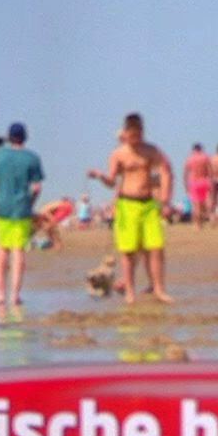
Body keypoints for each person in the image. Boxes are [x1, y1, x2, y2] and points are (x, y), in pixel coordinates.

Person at [87, 113, 174, 305]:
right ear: (126, 133)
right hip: (127, 203)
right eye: (132, 135)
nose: (135, 139)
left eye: (139, 135)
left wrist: (166, 198)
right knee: (128, 251)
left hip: (148, 203)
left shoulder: (151, 150)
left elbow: (166, 169)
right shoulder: (119, 154)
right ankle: (130, 292)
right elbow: (112, 181)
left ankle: (159, 289)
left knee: (156, 248)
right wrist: (100, 176)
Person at [0, 121, 45, 309]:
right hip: (21, 209)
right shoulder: (32, 158)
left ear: (9, 137)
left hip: (2, 207)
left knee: (2, 250)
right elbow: (36, 188)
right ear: (25, 137)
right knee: (18, 251)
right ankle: (15, 295)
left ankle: (0, 294)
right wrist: (31, 203)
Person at [184, 143, 213, 228]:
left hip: (194, 182)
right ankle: (203, 220)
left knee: (196, 205)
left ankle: (197, 224)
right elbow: (210, 171)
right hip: (204, 181)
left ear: (193, 150)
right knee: (203, 203)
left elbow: (185, 173)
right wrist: (211, 182)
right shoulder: (205, 157)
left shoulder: (190, 159)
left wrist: (186, 184)